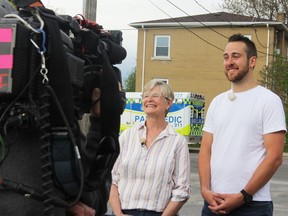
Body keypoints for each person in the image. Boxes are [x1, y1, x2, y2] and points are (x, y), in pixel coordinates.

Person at [198, 33, 287, 216]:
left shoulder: (268, 101)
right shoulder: (217, 102)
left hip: (253, 205)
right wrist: (205, 190)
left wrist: (243, 195)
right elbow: (206, 150)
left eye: (236, 56)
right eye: (226, 57)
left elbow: (275, 157)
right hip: (213, 203)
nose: (229, 61)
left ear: (252, 61)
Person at [109, 80, 191, 216]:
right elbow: (112, 179)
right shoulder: (127, 136)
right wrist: (118, 214)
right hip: (123, 212)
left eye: (155, 96)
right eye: (146, 96)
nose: (149, 99)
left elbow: (182, 189)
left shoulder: (177, 142)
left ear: (169, 103)